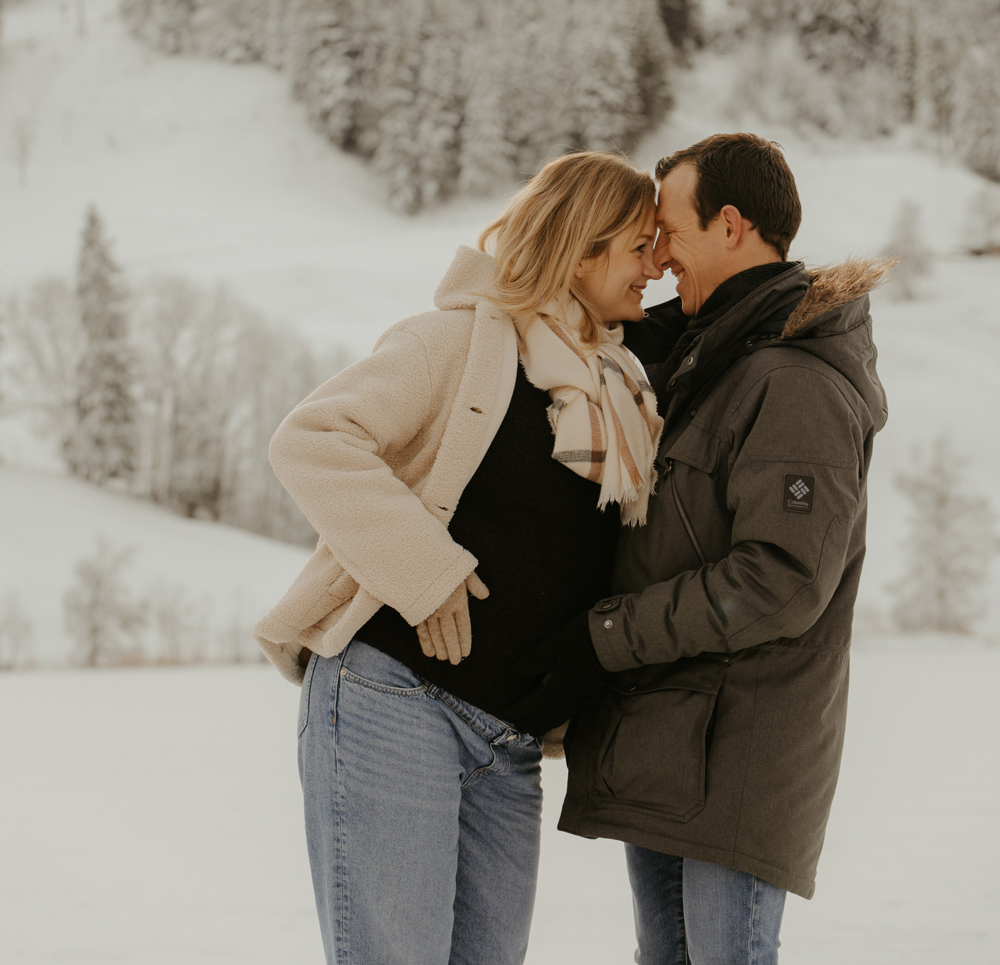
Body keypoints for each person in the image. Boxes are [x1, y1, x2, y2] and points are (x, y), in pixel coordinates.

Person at [253, 150, 663, 965]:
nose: (655, 267)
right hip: (394, 700)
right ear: (583, 247)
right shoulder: (457, 343)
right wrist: (426, 568)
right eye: (640, 246)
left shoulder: (619, 386)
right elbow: (312, 438)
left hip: (506, 744)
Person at [506, 133, 890, 965]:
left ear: (729, 223)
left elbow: (781, 578)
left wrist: (604, 635)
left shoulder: (792, 379)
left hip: (737, 748)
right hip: (675, 743)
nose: (658, 253)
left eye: (668, 231)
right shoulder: (712, 360)